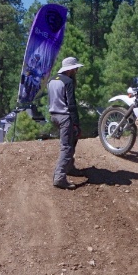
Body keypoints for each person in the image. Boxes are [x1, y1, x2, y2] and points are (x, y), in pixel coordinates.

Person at [48, 56, 85, 189]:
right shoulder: (68, 81)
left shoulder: (52, 80)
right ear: (70, 69)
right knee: (67, 147)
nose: (76, 71)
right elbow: (71, 104)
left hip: (54, 115)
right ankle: (59, 177)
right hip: (65, 117)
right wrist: (76, 124)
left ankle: (69, 167)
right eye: (75, 69)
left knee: (71, 140)